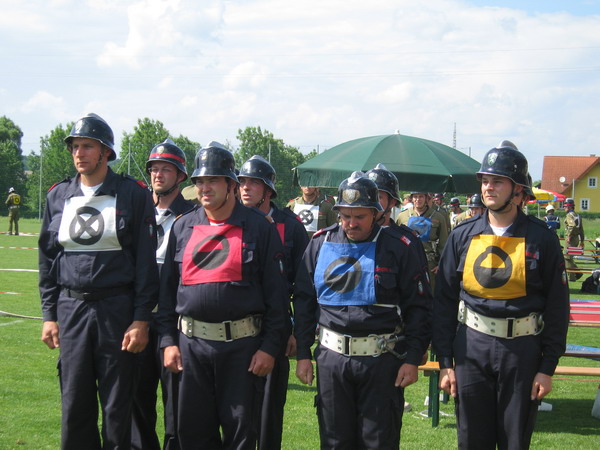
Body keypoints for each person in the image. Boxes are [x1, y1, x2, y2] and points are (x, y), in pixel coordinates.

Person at [433, 141, 569, 449]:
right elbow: (443, 302)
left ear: (518, 189)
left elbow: (558, 308)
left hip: (522, 351)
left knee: (514, 441)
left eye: (497, 181)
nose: (488, 187)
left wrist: (547, 368)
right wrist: (445, 362)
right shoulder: (462, 236)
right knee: (472, 440)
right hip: (471, 348)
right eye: (484, 180)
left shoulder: (542, 239)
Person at [156, 142, 288, 449]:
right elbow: (167, 293)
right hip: (191, 349)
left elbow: (277, 296)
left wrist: (269, 348)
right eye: (200, 181)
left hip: (242, 350)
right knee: (192, 435)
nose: (205, 188)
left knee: (241, 436)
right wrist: (167, 341)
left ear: (231, 184)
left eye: (212, 180)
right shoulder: (183, 227)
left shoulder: (259, 228)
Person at [39, 113, 159, 449]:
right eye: (75, 147)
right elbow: (48, 259)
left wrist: (141, 319)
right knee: (74, 403)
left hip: (117, 312)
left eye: (87, 146)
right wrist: (49, 315)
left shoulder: (132, 195)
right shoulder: (58, 196)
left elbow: (145, 263)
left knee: (118, 407)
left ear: (105, 152)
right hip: (72, 309)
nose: (79, 153)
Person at [294, 171, 432, 449]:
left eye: (359, 216)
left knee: (379, 441)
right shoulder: (320, 244)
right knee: (335, 441)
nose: (351, 223)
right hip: (332, 361)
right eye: (345, 216)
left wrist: (412, 357)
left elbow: (418, 307)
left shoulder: (398, 247)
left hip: (381, 361)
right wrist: (303, 354)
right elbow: (304, 301)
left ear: (375, 213)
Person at [238, 155, 309, 450]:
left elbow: (304, 287)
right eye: (242, 182)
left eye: (253, 183)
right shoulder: (231, 220)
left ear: (268, 190)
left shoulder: (290, 226)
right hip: (238, 327)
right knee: (237, 412)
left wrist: (294, 331)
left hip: (276, 325)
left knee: (269, 412)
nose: (245, 188)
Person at [131, 139, 194, 450]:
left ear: (180, 176)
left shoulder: (193, 217)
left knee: (177, 405)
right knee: (136, 402)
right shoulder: (136, 212)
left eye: (166, 169)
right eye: (154, 169)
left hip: (175, 322)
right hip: (138, 318)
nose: (158, 174)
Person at [396, 190, 448, 291]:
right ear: (412, 198)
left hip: (430, 263)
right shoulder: (402, 216)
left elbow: (444, 243)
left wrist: (441, 264)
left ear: (426, 198)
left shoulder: (438, 217)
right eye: (415, 197)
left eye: (421, 197)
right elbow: (396, 242)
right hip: (407, 262)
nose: (418, 199)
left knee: (430, 291)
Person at [564, 197, 585, 282]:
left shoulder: (569, 215)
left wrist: (569, 236)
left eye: (565, 206)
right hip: (576, 238)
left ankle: (572, 277)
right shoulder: (577, 215)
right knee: (570, 257)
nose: (564, 208)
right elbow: (581, 229)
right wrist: (582, 241)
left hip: (571, 238)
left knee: (567, 257)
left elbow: (571, 226)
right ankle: (578, 273)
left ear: (569, 207)